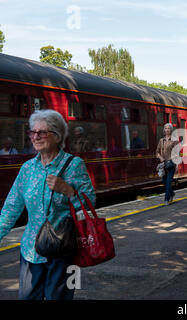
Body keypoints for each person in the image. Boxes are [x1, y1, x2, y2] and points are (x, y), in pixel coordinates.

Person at [0, 109, 95, 300]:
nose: (35, 137)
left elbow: (90, 202)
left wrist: (67, 190)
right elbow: (11, 207)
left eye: (42, 132)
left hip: (65, 250)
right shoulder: (27, 168)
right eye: (32, 132)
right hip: (30, 249)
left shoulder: (74, 164)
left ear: (57, 135)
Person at [156, 123, 179, 205]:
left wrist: (177, 165)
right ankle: (172, 193)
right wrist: (160, 157)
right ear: (164, 130)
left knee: (169, 181)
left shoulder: (175, 140)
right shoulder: (161, 140)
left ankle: (166, 199)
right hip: (163, 164)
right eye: (165, 128)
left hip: (171, 163)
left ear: (171, 130)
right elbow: (157, 152)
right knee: (165, 182)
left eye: (168, 128)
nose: (167, 130)